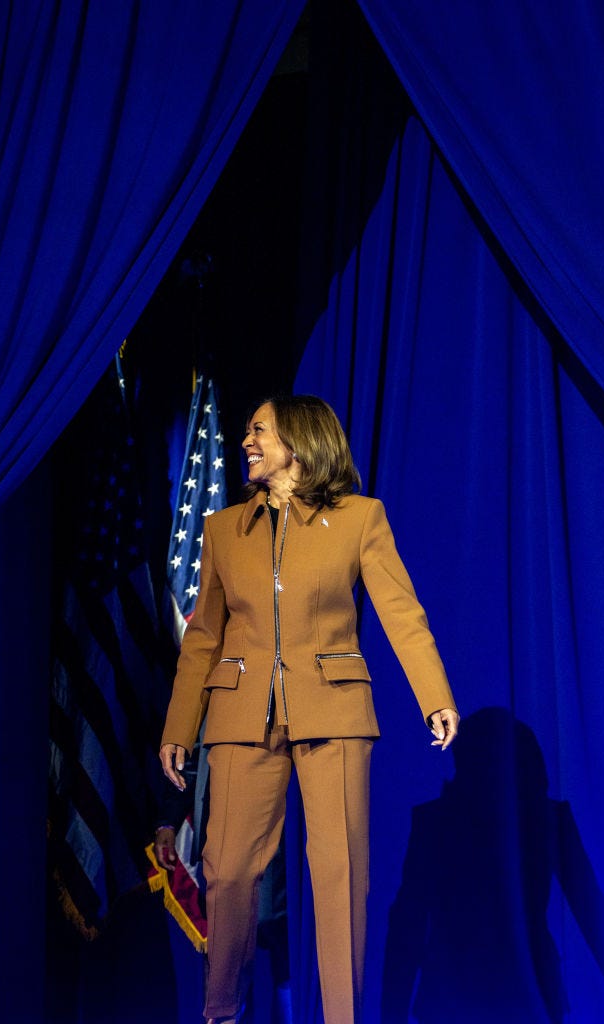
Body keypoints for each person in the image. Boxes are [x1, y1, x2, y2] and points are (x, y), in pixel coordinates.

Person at [159, 394, 459, 1024]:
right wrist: (179, 727)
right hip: (241, 714)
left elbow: (401, 613)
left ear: (297, 441)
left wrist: (434, 697)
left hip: (334, 709)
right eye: (247, 431)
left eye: (258, 430)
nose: (247, 441)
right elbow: (204, 639)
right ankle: (222, 1013)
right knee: (229, 872)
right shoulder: (222, 531)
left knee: (339, 876)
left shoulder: (359, 519)